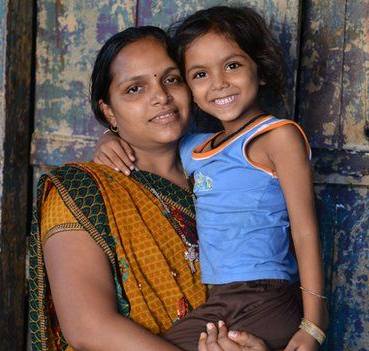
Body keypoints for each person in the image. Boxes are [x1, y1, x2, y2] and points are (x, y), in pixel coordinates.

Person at [94, 6, 328, 351]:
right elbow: (150, 144)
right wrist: (107, 138)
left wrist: (313, 326)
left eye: (232, 66)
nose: (219, 83)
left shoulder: (277, 137)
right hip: (225, 300)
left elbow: (306, 232)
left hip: (263, 297)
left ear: (259, 69)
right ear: (189, 87)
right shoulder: (196, 149)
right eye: (200, 74)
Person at [28, 26, 268, 351]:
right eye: (135, 89)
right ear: (108, 111)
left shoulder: (228, 173)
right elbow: (88, 327)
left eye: (171, 79)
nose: (160, 96)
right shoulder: (83, 191)